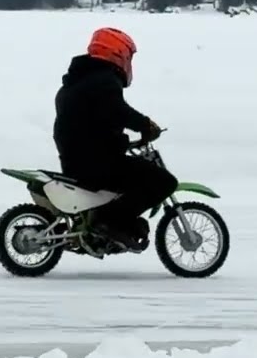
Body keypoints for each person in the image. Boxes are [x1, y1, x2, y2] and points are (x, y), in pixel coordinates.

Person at [52, 27, 174, 251]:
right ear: (118, 54)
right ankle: (109, 222)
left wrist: (124, 142)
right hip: (97, 164)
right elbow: (118, 111)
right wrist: (145, 125)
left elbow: (96, 124)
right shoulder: (104, 81)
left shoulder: (78, 81)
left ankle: (112, 222)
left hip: (80, 161)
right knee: (163, 182)